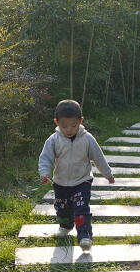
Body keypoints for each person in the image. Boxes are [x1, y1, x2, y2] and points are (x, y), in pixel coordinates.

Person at [38, 99, 115, 251]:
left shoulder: (87, 139)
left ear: (81, 121)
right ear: (56, 122)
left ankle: (84, 236)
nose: (69, 130)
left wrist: (108, 174)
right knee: (62, 208)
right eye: (64, 126)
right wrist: (44, 173)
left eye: (74, 125)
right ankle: (65, 225)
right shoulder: (54, 140)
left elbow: (98, 157)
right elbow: (46, 158)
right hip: (61, 182)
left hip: (82, 181)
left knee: (81, 208)